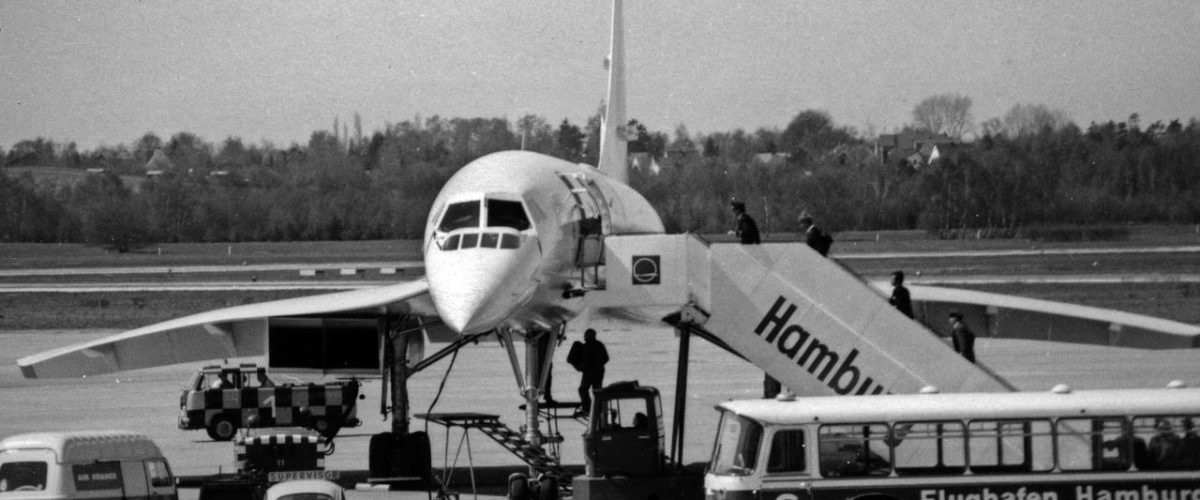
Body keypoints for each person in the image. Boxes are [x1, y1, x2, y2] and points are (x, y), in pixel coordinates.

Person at [574, 328, 609, 418]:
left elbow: (585, 362)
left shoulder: (586, 346)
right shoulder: (600, 345)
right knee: (597, 391)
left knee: (582, 389)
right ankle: (597, 408)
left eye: (585, 335)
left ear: (588, 336)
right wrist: (599, 364)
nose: (584, 337)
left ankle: (587, 409)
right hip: (600, 371)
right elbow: (606, 358)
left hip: (589, 372)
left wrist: (580, 367)